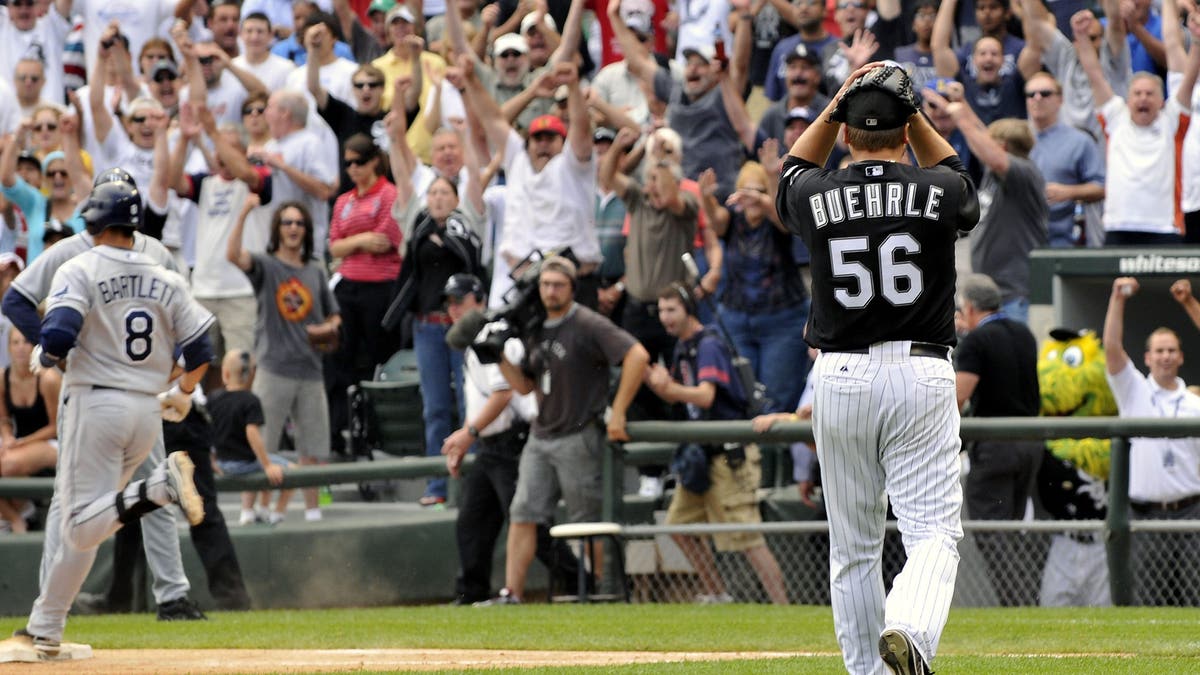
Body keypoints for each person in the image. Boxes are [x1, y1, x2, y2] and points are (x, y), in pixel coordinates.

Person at [777, 63, 979, 674]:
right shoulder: (936, 187)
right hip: (919, 371)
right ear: (907, 128)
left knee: (854, 551)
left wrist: (838, 103)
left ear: (845, 133)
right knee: (933, 534)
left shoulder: (817, 191)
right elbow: (960, 181)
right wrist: (910, 109)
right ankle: (910, 631)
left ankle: (868, 671)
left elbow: (791, 168)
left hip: (838, 377)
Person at [2, 179, 211, 659]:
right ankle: (45, 630)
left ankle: (160, 488)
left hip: (95, 405)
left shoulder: (80, 265)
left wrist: (48, 355)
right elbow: (203, 348)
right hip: (146, 410)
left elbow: (58, 333)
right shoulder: (164, 270)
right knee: (95, 522)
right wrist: (182, 391)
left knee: (76, 525)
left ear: (93, 221)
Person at [486, 256, 650, 604]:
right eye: (545, 284)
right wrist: (498, 357)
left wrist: (618, 411)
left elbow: (637, 355)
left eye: (558, 285)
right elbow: (527, 387)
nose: (550, 291)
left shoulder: (588, 323)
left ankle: (603, 592)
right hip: (541, 433)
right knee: (522, 513)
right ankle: (511, 594)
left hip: (579, 434)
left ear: (572, 288)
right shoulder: (535, 326)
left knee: (588, 520)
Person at [439, 273, 581, 604]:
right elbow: (479, 399)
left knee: (528, 521)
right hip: (489, 446)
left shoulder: (493, 335)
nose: (454, 309)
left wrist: (467, 434)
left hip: (510, 443)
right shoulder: (473, 341)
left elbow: (502, 395)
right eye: (449, 303)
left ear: (478, 301)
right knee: (472, 521)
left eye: (460, 301)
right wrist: (468, 438)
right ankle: (470, 594)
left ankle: (579, 582)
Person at [645, 283, 789, 605]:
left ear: (687, 310)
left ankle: (783, 607)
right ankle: (716, 592)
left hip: (729, 455)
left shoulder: (708, 344)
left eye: (672, 309)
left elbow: (705, 395)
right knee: (678, 526)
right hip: (701, 455)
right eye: (661, 310)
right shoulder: (682, 347)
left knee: (748, 536)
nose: (665, 317)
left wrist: (668, 389)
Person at [386, 110, 484, 507]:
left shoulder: (468, 222)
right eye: (434, 194)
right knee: (436, 408)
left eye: (446, 194)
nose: (439, 199)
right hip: (428, 326)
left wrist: (467, 136)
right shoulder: (418, 223)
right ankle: (437, 484)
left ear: (457, 199)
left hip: (463, 326)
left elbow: (477, 177)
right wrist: (395, 138)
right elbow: (402, 179)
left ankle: (474, 483)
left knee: (469, 403)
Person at [228, 197, 341, 522]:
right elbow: (233, 256)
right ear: (278, 229)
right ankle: (249, 511)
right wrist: (245, 211)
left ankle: (312, 512)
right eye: (287, 222)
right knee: (261, 444)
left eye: (299, 223)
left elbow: (335, 316)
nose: (293, 228)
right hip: (273, 367)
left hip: (310, 369)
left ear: (307, 230)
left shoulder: (315, 270)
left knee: (313, 449)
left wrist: (329, 327)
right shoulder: (266, 264)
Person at [1103, 276, 1200, 606]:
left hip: (1192, 512)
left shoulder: (1194, 402)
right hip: (1146, 515)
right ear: (1147, 358)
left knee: (1194, 603)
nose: (1166, 357)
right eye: (1159, 351)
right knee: (1151, 604)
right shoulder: (1134, 391)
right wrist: (1118, 298)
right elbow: (1112, 350)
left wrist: (1190, 304)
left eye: (1172, 350)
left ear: (1182, 357)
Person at [954, 273, 1042, 606]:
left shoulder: (976, 341)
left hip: (996, 445)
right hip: (1030, 443)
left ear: (971, 307)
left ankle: (1017, 603)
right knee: (1014, 528)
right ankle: (1026, 600)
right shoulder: (1024, 334)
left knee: (992, 531)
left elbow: (958, 398)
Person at [1079, 4, 1200, 245]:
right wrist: (1081, 38)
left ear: (1161, 100)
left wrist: (1196, 42)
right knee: (1118, 284)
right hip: (1118, 224)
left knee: (1173, 285)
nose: (1143, 98)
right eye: (1137, 93)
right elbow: (1094, 74)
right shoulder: (1115, 117)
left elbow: (1189, 77)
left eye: (1149, 93)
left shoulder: (1172, 121)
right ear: (1128, 98)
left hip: (1164, 226)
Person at [209, 349, 294, 526]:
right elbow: (252, 432)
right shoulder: (251, 401)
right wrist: (268, 465)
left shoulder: (213, 398)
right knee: (290, 469)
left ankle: (251, 512)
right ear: (252, 375)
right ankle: (276, 514)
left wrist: (211, 459)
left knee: (261, 462)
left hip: (221, 463)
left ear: (225, 373)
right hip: (243, 464)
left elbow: (205, 430)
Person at [1022, 71, 1106, 249]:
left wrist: (1068, 192)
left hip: (1064, 239)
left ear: (1060, 99)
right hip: (1021, 239)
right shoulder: (1016, 139)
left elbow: (1101, 187)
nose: (1037, 98)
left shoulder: (1079, 141)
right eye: (1031, 94)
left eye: (1045, 93)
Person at [0, 327, 60, 533]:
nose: (20, 348)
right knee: (8, 461)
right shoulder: (3, 377)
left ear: (35, 346)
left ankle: (18, 516)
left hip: (53, 443)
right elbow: (4, 419)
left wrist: (22, 443)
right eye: (15, 343)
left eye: (25, 342)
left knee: (8, 464)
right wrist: (8, 437)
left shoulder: (48, 379)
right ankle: (18, 516)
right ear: (8, 348)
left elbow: (56, 427)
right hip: (20, 442)